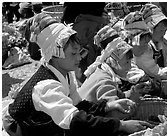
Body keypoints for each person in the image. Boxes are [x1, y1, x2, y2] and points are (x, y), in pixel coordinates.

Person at [2, 13, 152, 136]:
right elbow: (75, 120)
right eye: (73, 53)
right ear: (55, 55)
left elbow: (78, 104)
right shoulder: (46, 87)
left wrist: (108, 105)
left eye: (79, 52)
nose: (79, 58)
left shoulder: (66, 74)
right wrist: (121, 125)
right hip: (23, 129)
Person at [123, 4, 167, 82]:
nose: (163, 33)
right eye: (160, 30)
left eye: (164, 30)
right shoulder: (141, 46)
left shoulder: (163, 43)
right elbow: (152, 70)